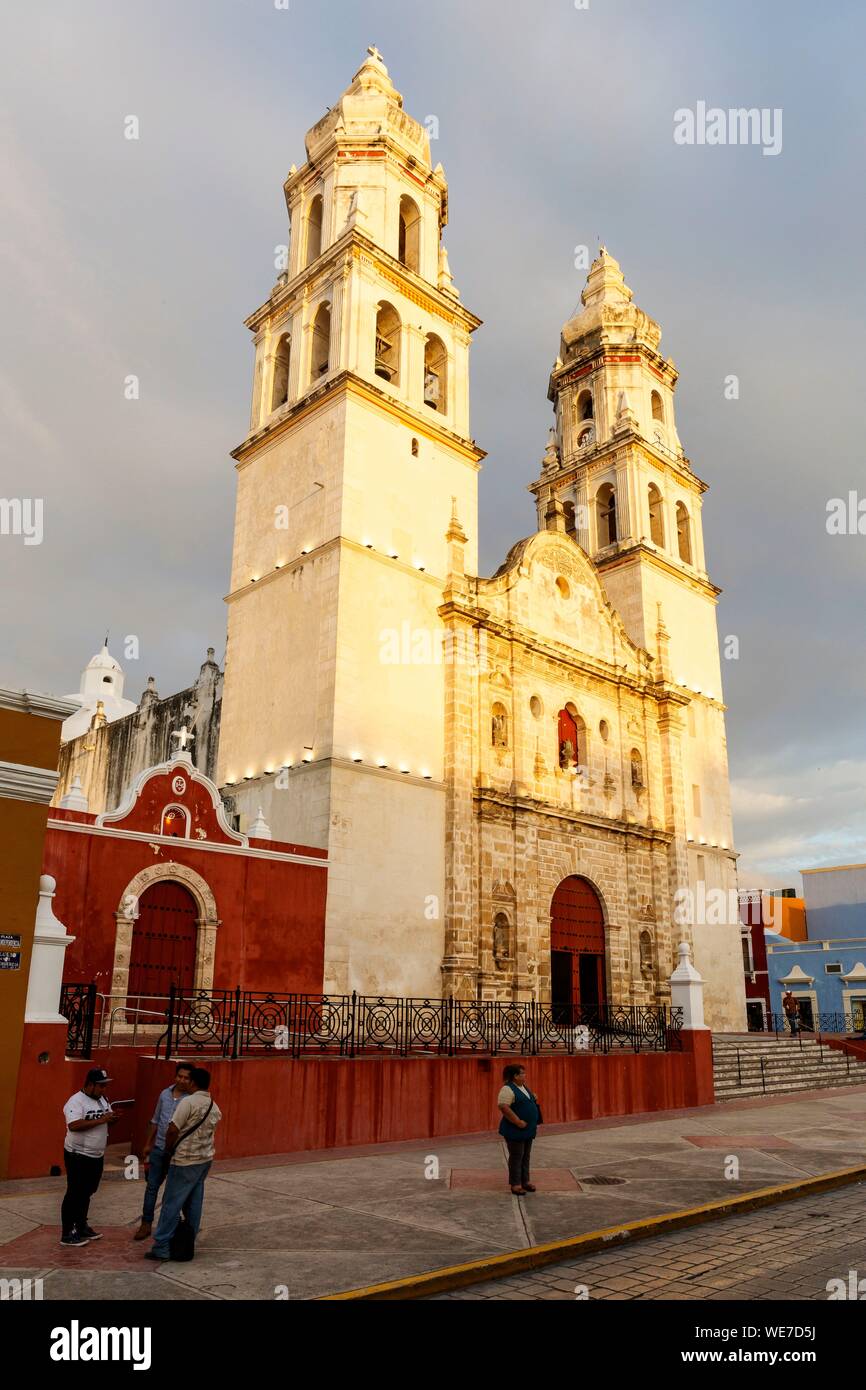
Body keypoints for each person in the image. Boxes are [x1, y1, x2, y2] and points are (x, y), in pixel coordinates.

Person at [145, 1066, 222, 1262]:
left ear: (193, 1083)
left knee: (172, 1203)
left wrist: (169, 1150)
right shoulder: (213, 1105)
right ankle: (188, 1240)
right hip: (204, 1159)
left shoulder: (188, 1102)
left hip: (184, 1160)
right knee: (194, 1202)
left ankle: (162, 1245)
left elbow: (172, 1130)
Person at [60, 1067, 122, 1247]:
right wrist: (102, 1120)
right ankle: (67, 1233)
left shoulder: (103, 1100)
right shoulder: (75, 1101)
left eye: (105, 1086)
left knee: (88, 1191)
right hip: (77, 1155)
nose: (104, 1090)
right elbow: (73, 1125)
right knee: (74, 1192)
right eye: (101, 1086)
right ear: (90, 1084)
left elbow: (104, 1123)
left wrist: (112, 1120)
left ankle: (81, 1225)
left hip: (96, 1155)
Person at [133, 1061, 193, 1241]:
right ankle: (146, 1223)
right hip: (159, 1148)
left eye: (186, 1078)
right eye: (179, 1076)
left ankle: (172, 1224)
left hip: (178, 1151)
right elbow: (155, 1120)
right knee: (152, 1187)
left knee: (174, 1191)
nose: (182, 1080)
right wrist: (147, 1144)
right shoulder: (164, 1094)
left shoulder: (190, 1100)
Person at [497, 1062, 541, 1196]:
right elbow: (504, 1107)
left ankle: (525, 1181)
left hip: (528, 1129)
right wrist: (517, 1121)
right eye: (522, 1073)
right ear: (515, 1076)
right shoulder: (507, 1089)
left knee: (525, 1156)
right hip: (515, 1129)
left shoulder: (523, 1087)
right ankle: (515, 1184)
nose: (524, 1075)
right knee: (517, 1156)